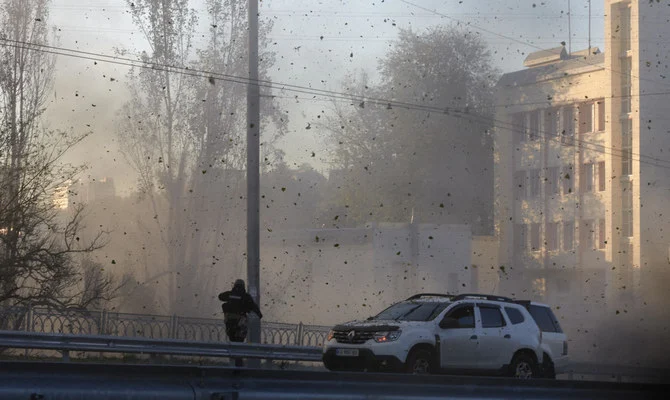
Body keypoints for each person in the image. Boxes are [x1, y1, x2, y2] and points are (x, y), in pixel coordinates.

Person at [218, 279, 262, 343]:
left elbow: (220, 297)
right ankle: (238, 348)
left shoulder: (229, 294)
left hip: (229, 319)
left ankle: (233, 348)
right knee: (240, 339)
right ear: (243, 286)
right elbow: (253, 306)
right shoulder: (246, 296)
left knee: (232, 337)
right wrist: (259, 315)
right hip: (241, 319)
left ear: (235, 285)